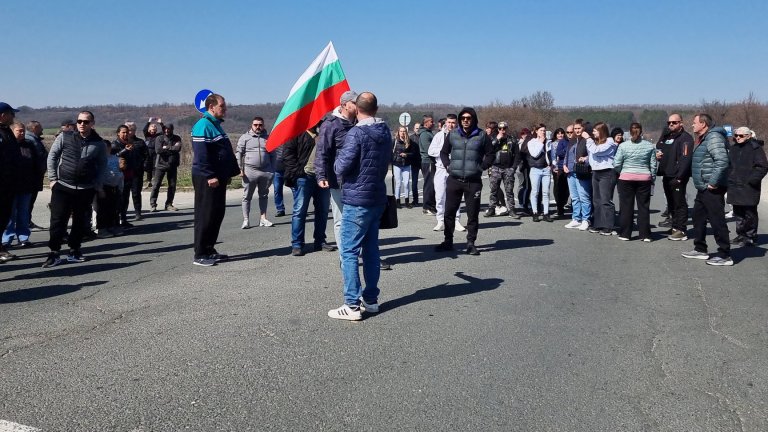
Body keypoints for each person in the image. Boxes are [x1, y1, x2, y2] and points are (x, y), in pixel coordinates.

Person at [327, 92, 391, 321]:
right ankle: (371, 300)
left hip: (357, 199)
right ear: (376, 107)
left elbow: (341, 167)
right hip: (376, 197)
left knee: (349, 250)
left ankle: (351, 304)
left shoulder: (356, 133)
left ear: (357, 108)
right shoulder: (386, 132)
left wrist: (336, 160)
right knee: (372, 250)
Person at [43, 110, 107, 268]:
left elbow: (102, 165)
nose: (82, 124)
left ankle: (74, 250)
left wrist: (97, 185)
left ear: (92, 123)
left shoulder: (99, 143)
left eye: (86, 122)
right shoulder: (65, 137)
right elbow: (52, 156)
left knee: (80, 221)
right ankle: (54, 253)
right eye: (79, 121)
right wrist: (53, 179)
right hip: (63, 186)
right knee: (58, 221)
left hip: (86, 188)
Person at [435, 107, 495, 255]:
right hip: (454, 180)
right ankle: (448, 241)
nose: (465, 121)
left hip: (473, 182)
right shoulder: (453, 134)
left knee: (472, 214)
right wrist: (448, 165)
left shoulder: (481, 135)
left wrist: (481, 167)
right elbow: (443, 152)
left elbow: (491, 154)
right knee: (449, 212)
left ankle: (470, 243)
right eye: (463, 118)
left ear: (473, 119)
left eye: (468, 118)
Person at [190, 93, 238, 266]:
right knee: (206, 214)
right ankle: (200, 252)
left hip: (219, 177)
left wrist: (230, 172)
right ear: (211, 107)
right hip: (207, 178)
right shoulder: (203, 125)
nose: (224, 109)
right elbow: (202, 156)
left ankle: (209, 248)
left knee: (217, 214)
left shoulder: (216, 125)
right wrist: (210, 175)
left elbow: (223, 152)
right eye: (222, 106)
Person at [681, 113, 732, 266]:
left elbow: (722, 161)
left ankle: (724, 255)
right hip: (703, 187)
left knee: (717, 221)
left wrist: (713, 182)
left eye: (695, 122)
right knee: (698, 217)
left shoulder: (714, 138)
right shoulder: (705, 138)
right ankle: (700, 249)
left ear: (703, 124)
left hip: (712, 187)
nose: (692, 125)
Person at [282, 121, 333, 256]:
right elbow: (287, 155)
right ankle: (297, 244)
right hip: (304, 178)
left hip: (323, 178)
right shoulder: (296, 133)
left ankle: (320, 241)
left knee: (322, 211)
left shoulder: (324, 131)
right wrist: (298, 172)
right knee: (300, 211)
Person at [315, 91, 357, 249]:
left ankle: (356, 252)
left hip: (356, 179)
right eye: (354, 102)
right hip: (338, 179)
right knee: (341, 219)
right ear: (345, 105)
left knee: (356, 219)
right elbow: (322, 151)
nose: (358, 105)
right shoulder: (331, 124)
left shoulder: (358, 122)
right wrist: (321, 175)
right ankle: (345, 256)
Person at [613, 123, 657, 241]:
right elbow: (653, 165)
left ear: (630, 132)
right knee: (643, 207)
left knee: (626, 207)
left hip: (626, 178)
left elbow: (616, 163)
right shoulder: (649, 146)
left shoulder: (623, 146)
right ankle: (645, 235)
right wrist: (652, 178)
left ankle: (625, 234)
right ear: (641, 132)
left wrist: (622, 172)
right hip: (644, 178)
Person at [727, 127, 768, 247]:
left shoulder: (755, 148)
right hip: (734, 185)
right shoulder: (733, 148)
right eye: (736, 136)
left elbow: (762, 166)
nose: (738, 138)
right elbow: (729, 165)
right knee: (738, 212)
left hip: (748, 186)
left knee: (749, 213)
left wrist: (752, 180)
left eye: (741, 136)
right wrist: (729, 177)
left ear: (748, 136)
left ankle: (750, 236)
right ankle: (741, 235)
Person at [3, 122, 42, 247]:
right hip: (10, 186)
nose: (22, 133)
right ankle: (6, 239)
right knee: (9, 215)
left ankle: (23, 237)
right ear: (12, 131)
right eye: (19, 131)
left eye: (23, 131)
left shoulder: (29, 145)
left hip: (26, 185)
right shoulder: (7, 145)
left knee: (24, 213)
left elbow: (36, 163)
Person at [657, 114, 694, 241]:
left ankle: (681, 230)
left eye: (674, 122)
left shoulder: (686, 138)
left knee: (679, 203)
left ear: (681, 123)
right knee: (671, 203)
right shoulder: (668, 136)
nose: (671, 125)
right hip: (666, 174)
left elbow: (686, 158)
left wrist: (680, 176)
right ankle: (674, 226)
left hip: (678, 176)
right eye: (669, 123)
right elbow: (659, 146)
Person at [428, 114, 465, 232]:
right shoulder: (439, 136)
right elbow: (431, 151)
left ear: (457, 124)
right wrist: (443, 151)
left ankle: (456, 220)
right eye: (449, 122)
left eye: (453, 123)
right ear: (446, 123)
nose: (451, 125)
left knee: (456, 196)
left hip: (455, 170)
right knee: (440, 196)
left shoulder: (460, 136)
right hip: (440, 169)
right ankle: (440, 220)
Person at [236, 116, 275, 229]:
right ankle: (246, 220)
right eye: (256, 125)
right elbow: (239, 153)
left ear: (263, 125)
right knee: (247, 196)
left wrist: (273, 170)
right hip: (249, 172)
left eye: (260, 125)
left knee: (264, 195)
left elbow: (273, 154)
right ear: (252, 125)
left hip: (265, 172)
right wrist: (239, 168)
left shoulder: (268, 138)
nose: (258, 127)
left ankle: (263, 218)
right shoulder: (244, 138)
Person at [585, 122, 618, 235]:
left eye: (595, 130)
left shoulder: (610, 142)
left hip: (607, 173)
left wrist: (588, 139)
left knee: (605, 200)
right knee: (597, 200)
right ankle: (598, 224)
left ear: (601, 131)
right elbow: (592, 155)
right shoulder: (595, 142)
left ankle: (608, 226)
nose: (593, 133)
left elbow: (596, 151)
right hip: (596, 172)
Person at [485, 121, 519, 218]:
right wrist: (497, 139)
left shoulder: (512, 139)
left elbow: (517, 155)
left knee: (509, 191)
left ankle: (512, 210)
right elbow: (489, 150)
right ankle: (492, 209)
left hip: (508, 168)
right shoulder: (493, 139)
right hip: (496, 168)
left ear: (507, 129)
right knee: (493, 190)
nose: (502, 130)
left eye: (504, 128)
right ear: (498, 129)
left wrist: (513, 167)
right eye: (500, 129)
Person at [563, 120, 593, 231]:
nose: (577, 130)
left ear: (583, 129)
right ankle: (576, 218)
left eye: (579, 128)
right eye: (575, 129)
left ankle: (586, 219)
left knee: (584, 197)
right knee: (574, 197)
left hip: (582, 171)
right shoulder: (572, 141)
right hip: (570, 172)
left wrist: (585, 159)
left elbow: (592, 155)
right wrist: (565, 165)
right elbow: (567, 154)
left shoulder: (587, 140)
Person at [0, 102, 20, 262]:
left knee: (4, 217)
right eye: (11, 113)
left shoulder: (7, 132)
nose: (14, 117)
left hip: (9, 184)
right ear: (3, 115)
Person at [114, 125, 142, 228]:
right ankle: (116, 220)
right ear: (118, 133)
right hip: (119, 175)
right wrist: (125, 150)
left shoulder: (130, 144)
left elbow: (135, 157)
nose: (125, 134)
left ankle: (124, 219)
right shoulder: (115, 144)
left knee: (126, 198)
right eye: (123, 132)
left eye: (127, 132)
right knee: (118, 199)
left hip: (130, 173)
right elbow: (113, 156)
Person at [149, 123, 181, 212]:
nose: (167, 130)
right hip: (160, 165)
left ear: (172, 129)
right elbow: (158, 150)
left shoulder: (177, 138)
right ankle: (153, 204)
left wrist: (166, 147)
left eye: (169, 129)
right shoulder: (159, 138)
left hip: (172, 165)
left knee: (172, 185)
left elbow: (178, 149)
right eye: (165, 129)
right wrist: (172, 149)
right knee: (156, 185)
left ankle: (169, 204)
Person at [96, 139, 124, 238]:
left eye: (106, 147)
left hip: (114, 186)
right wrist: (100, 189)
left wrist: (120, 186)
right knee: (102, 209)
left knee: (113, 209)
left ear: (109, 148)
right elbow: (97, 175)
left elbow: (120, 173)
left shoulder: (115, 158)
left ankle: (111, 226)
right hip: (104, 187)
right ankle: (102, 229)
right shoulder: (98, 159)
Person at [25, 121, 48, 231]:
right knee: (27, 202)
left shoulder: (34, 140)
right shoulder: (30, 140)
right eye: (40, 128)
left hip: (35, 176)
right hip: (32, 177)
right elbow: (36, 158)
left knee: (29, 202)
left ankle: (27, 221)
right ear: (34, 128)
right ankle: (26, 222)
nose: (42, 130)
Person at [527, 124, 553, 222]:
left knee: (546, 192)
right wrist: (541, 142)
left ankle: (546, 213)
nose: (543, 132)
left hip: (546, 169)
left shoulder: (548, 142)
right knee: (535, 192)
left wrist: (552, 164)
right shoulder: (532, 142)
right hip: (535, 170)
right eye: (541, 130)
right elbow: (534, 154)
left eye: (544, 130)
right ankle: (535, 212)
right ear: (536, 131)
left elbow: (551, 154)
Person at [123, 121, 149, 220]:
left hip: (137, 171)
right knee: (124, 194)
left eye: (132, 130)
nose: (129, 132)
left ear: (135, 131)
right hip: (124, 172)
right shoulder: (121, 143)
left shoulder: (140, 142)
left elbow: (147, 156)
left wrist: (145, 166)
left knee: (136, 193)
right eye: (127, 130)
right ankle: (123, 214)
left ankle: (138, 212)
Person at [392, 126, 418, 208]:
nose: (402, 133)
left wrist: (406, 154)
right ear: (398, 132)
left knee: (406, 183)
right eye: (401, 131)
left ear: (406, 132)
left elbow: (413, 153)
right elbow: (390, 152)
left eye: (404, 131)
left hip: (406, 165)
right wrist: (394, 158)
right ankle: (397, 201)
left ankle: (407, 201)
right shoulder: (395, 141)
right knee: (398, 183)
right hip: (397, 164)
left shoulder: (409, 142)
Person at [418, 115, 437, 215]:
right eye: (431, 122)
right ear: (426, 123)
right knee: (429, 184)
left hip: (432, 162)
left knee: (433, 184)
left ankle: (432, 206)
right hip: (428, 161)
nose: (433, 123)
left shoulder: (429, 133)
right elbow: (429, 150)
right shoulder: (425, 134)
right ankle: (427, 207)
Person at [550, 127, 569, 219]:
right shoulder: (553, 144)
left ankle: (563, 202)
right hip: (557, 168)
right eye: (558, 133)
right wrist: (555, 167)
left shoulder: (567, 142)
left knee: (566, 187)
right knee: (558, 187)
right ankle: (559, 205)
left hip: (566, 168)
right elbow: (553, 156)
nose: (560, 135)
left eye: (562, 133)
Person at [513, 128, 532, 215]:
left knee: (526, 185)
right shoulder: (520, 143)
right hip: (520, 167)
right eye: (523, 134)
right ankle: (521, 201)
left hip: (526, 166)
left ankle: (526, 200)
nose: (525, 135)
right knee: (522, 184)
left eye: (527, 134)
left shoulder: (529, 142)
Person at [142, 118, 163, 188]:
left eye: (155, 127)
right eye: (152, 126)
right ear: (149, 129)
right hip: (148, 153)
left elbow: (164, 131)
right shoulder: (147, 135)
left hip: (156, 153)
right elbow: (144, 130)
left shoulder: (158, 136)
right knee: (148, 167)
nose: (153, 127)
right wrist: (149, 121)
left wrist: (160, 123)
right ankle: (149, 181)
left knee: (155, 166)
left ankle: (154, 180)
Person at [409, 122, 422, 207]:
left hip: (424, 161)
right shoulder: (411, 138)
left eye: (419, 128)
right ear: (414, 129)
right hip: (414, 162)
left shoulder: (424, 136)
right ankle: (415, 200)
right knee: (414, 183)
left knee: (429, 182)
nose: (418, 130)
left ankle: (430, 201)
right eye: (416, 128)